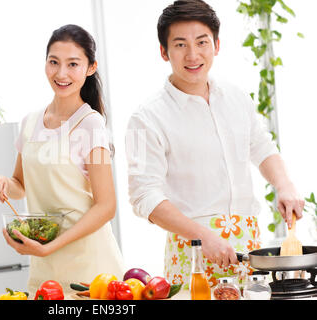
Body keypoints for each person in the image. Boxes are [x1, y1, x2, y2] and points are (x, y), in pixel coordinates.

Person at [125, 0, 304, 289]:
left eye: (202, 42)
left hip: (250, 250)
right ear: (163, 51)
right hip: (193, 251)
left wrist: (284, 185)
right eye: (180, 44)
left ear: (217, 45)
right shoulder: (146, 117)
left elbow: (262, 148)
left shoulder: (237, 98)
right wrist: (203, 236)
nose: (193, 54)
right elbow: (144, 196)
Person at [0, 24, 125, 296]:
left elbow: (106, 206)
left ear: (90, 67)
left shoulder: (89, 124)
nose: (61, 73)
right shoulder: (30, 122)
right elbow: (20, 184)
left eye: (73, 64)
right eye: (54, 62)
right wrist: (4, 183)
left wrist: (50, 246)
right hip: (44, 268)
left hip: (90, 269)